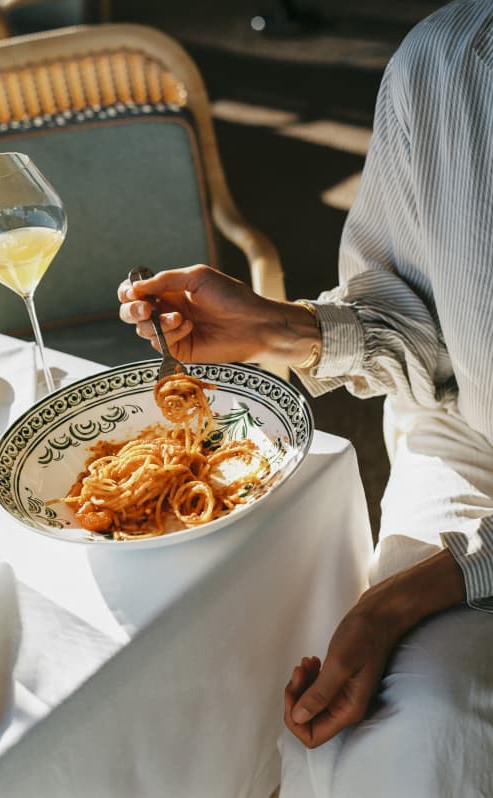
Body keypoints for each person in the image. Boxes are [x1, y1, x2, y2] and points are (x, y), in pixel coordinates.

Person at [117, 1, 493, 795]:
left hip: (470, 556)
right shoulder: (447, 69)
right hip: (471, 449)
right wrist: (279, 330)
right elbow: (424, 322)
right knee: (411, 724)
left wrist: (396, 602)